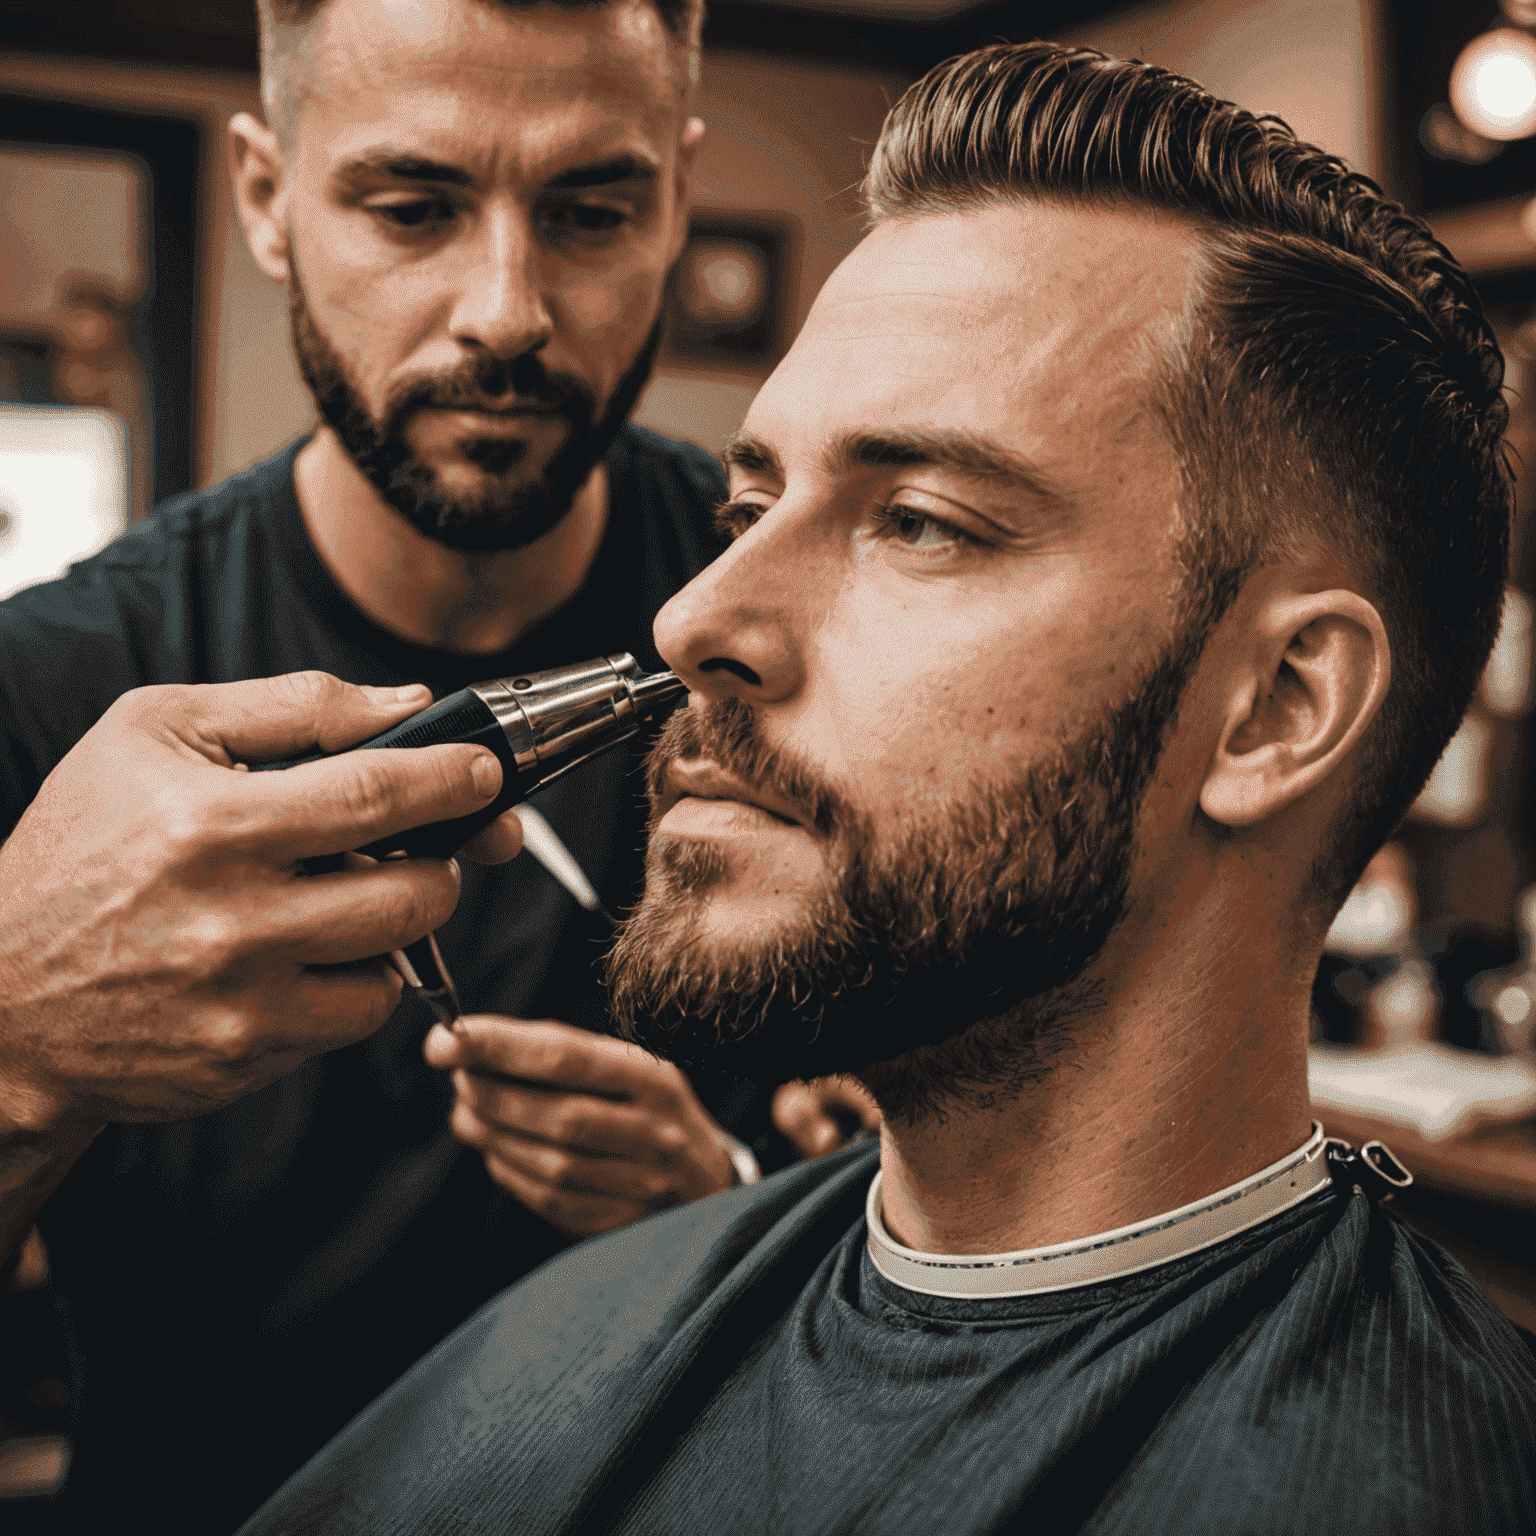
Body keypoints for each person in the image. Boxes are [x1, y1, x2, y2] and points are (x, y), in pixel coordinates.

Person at [239, 41, 1536, 1536]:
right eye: (751, 505)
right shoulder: (624, 1304)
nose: (692, 620)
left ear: (1275, 709)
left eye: (919, 522)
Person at [0, 0, 873, 1528]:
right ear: (269, 200)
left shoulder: (808, 637)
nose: (507, 312)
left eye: (593, 211)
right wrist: (16, 1052)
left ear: (675, 200)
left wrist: (734, 1223)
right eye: (413, 209)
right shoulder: (53, 684)